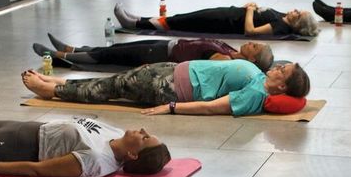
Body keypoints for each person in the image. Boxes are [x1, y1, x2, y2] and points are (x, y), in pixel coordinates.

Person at [22, 58, 310, 117]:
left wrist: (171, 108)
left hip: (169, 87)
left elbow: (212, 108)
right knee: (114, 82)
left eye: (282, 70)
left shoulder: (256, 95)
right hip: (173, 71)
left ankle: (53, 91)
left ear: (282, 86)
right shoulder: (260, 78)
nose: (277, 67)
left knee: (110, 88)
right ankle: (62, 83)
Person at [0, 116, 169, 177]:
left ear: (133, 155)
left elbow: (37, 169)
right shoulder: (116, 133)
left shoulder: (97, 160)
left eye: (145, 138)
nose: (143, 130)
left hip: (12, 146)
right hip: (19, 127)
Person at [31, 33, 274, 72]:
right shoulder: (233, 51)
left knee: (108, 57)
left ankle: (60, 56)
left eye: (255, 47)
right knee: (115, 48)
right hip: (165, 45)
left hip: (158, 56)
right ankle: (70, 49)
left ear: (253, 58)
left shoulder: (225, 60)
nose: (252, 43)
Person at [114, 2, 319, 37]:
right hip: (228, 14)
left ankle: (134, 24)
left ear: (298, 23)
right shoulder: (282, 17)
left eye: (297, 14)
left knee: (182, 22)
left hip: (225, 22)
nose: (293, 11)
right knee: (183, 17)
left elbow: (251, 31)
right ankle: (139, 19)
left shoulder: (280, 27)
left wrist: (249, 11)